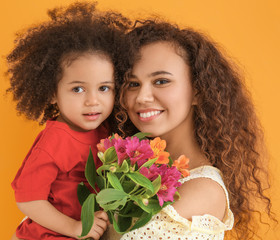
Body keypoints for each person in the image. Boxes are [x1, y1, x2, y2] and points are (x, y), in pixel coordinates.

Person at [115, 20, 276, 240]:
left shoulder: (203, 189)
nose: (142, 97)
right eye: (132, 84)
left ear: (199, 91)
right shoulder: (132, 170)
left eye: (161, 81)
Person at [7, 2, 132, 239]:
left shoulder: (106, 129)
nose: (93, 101)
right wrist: (76, 227)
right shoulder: (56, 140)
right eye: (78, 89)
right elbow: (27, 199)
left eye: (104, 88)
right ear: (53, 93)